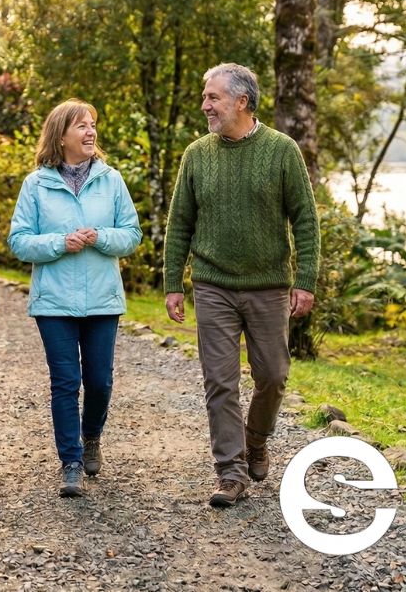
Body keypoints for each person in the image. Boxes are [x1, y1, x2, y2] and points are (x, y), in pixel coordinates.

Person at [163, 63, 320, 509]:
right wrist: (174, 283)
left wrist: (304, 280)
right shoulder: (196, 154)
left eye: (212, 97)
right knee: (220, 381)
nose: (204, 104)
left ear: (241, 102)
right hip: (213, 284)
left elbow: (305, 220)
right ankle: (229, 472)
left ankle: (256, 439)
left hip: (269, 285)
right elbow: (180, 225)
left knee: (273, 375)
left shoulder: (281, 150)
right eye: (204, 96)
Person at [8, 98, 141, 498]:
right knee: (65, 382)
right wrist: (59, 243)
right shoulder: (36, 183)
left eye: (92, 125)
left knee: (99, 381)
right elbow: (18, 241)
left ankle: (91, 437)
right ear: (61, 134)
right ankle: (70, 462)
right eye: (81, 125)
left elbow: (132, 235)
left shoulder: (111, 180)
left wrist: (100, 237)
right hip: (54, 303)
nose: (90, 132)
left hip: (103, 300)